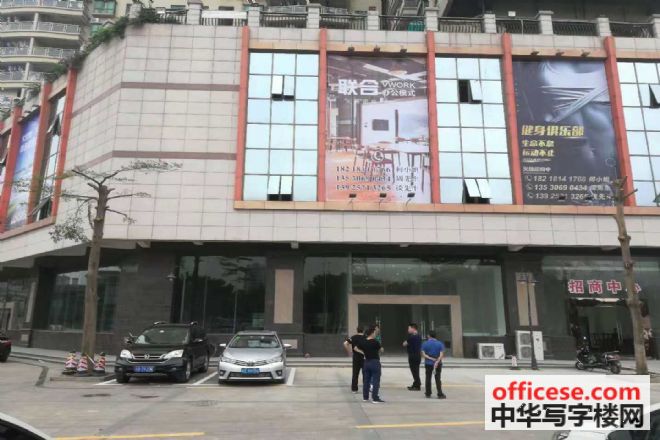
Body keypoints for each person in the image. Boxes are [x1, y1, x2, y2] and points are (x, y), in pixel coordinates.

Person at [354, 325, 385, 403]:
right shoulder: (375, 342)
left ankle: (365, 397)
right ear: (372, 333)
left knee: (366, 381)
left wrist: (363, 352)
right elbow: (381, 350)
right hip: (374, 362)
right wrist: (381, 348)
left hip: (366, 362)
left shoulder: (363, 341)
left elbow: (355, 348)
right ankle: (375, 398)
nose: (375, 334)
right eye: (374, 332)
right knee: (376, 380)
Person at [421, 330, 446, 399]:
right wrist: (437, 361)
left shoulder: (425, 343)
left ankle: (428, 393)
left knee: (428, 378)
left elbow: (423, 354)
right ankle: (440, 394)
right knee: (438, 378)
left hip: (428, 363)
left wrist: (430, 358)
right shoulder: (440, 344)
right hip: (438, 364)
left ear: (429, 336)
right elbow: (441, 354)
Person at [344, 325, 366, 393]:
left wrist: (350, 351)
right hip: (364, 357)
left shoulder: (353, 337)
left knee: (355, 373)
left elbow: (345, 343)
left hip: (356, 357)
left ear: (357, 330)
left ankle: (354, 389)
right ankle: (366, 388)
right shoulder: (365, 337)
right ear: (363, 330)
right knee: (365, 373)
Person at [403, 323, 422, 390]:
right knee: (416, 371)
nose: (408, 330)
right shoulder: (419, 336)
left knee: (414, 371)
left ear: (413, 328)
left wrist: (406, 342)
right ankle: (416, 384)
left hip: (413, 356)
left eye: (409, 328)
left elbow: (404, 344)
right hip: (418, 356)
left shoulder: (412, 337)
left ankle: (417, 385)